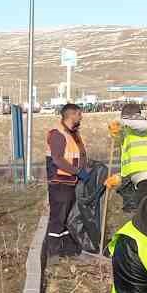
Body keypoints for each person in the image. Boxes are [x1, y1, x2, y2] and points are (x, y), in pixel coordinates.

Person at [43, 103, 89, 256]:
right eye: (79, 114)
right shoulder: (58, 134)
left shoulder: (73, 134)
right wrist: (77, 172)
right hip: (60, 182)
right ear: (72, 115)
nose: (81, 117)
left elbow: (77, 155)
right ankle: (54, 251)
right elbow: (58, 159)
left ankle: (67, 249)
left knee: (67, 217)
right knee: (58, 217)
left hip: (71, 182)